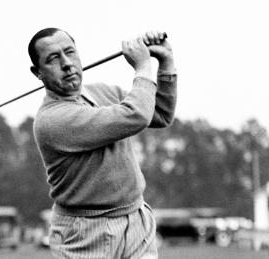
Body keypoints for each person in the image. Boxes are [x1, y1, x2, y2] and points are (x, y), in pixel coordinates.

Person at [29, 28, 177, 259]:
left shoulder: (103, 93)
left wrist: (166, 62)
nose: (67, 64)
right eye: (53, 59)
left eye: (70, 52)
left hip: (136, 220)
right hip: (86, 232)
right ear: (37, 73)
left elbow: (159, 114)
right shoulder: (51, 120)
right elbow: (137, 115)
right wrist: (143, 67)